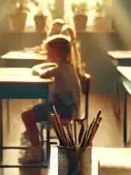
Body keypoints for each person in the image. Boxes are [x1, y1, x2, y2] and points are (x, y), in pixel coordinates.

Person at [18, 35, 83, 165]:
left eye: (49, 51)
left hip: (61, 110)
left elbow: (40, 73)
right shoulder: (67, 66)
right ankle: (35, 143)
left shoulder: (60, 69)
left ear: (56, 53)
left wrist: (38, 67)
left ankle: (37, 151)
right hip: (66, 107)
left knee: (26, 116)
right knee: (36, 107)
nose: (46, 54)